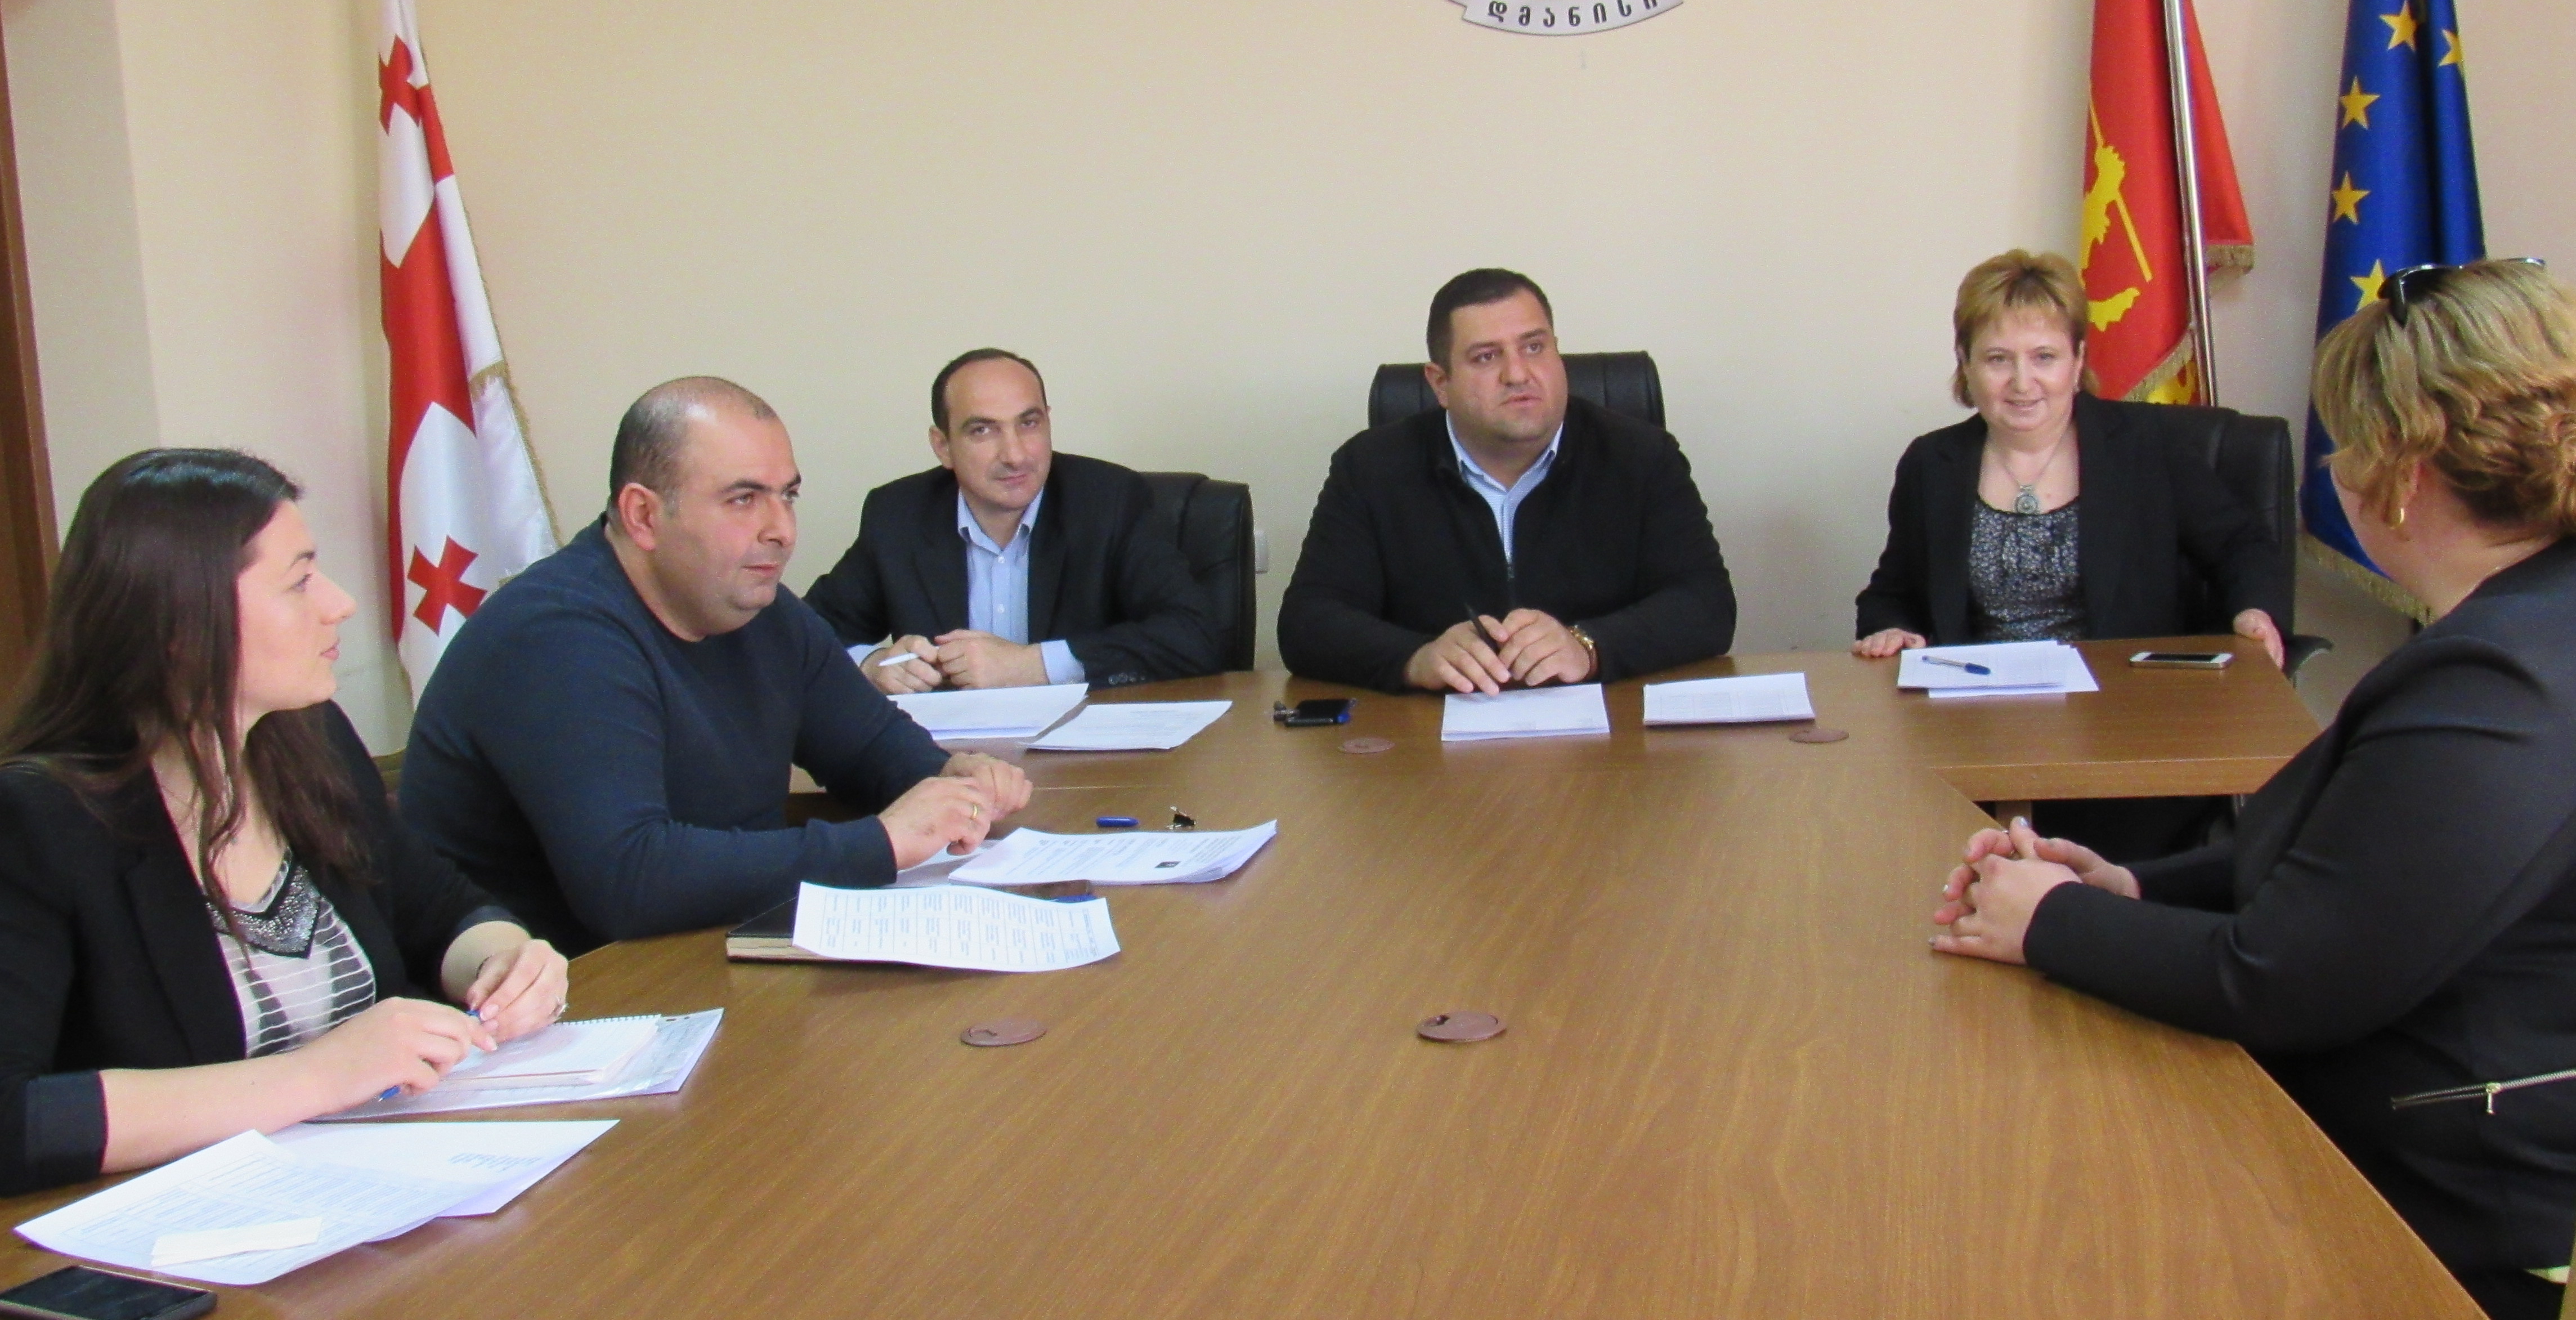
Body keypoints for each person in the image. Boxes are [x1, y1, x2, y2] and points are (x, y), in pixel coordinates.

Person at [1933, 259, 2576, 1320]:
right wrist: (2131, 886)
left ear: (2403, 473)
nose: (2332, 472)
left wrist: (2047, 921)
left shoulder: (2503, 681)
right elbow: (2355, 859)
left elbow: (2282, 981)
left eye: (2344, 444)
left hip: (2442, 1242)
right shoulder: (2538, 619)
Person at [0, 450, 568, 1196]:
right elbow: (14, 1119)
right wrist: (316, 1077)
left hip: (380, 1189)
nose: (340, 604)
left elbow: (441, 911)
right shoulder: (39, 819)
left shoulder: (308, 741)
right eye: (299, 582)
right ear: (182, 623)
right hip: (187, 1226)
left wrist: (507, 963)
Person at [403, 378, 1029, 954]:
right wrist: (883, 843)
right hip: (568, 996)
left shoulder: (757, 608)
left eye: (788, 496)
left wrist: (946, 779)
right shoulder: (557, 636)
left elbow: (866, 745)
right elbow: (629, 880)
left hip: (709, 952)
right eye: (743, 499)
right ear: (643, 516)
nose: (782, 530)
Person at [1855, 249, 2286, 860]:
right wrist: (1890, 628)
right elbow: (1891, 590)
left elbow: (2242, 545)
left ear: (2079, 360)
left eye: (2044, 357)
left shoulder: (2147, 446)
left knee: (2081, 879)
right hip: (1974, 738)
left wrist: (2254, 611)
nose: (2022, 382)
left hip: (2125, 736)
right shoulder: (1933, 463)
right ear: (1966, 365)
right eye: (1998, 359)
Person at [1278, 268, 1736, 692]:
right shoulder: (1370, 469)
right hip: (1429, 738)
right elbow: (1308, 622)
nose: (1518, 375)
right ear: (1440, 383)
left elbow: (1706, 603)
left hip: (1611, 732)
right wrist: (1416, 658)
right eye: (1485, 357)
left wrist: (1589, 647)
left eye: (1534, 348)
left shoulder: (1642, 457)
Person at [807, 349, 1221, 694]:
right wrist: (873, 665)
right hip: (948, 757)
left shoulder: (1110, 501)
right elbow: (805, 633)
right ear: (943, 446)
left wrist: (1031, 665)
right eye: (983, 431)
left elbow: (1194, 636)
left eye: (1029, 424)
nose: (1016, 455)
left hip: (1088, 754)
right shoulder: (899, 514)